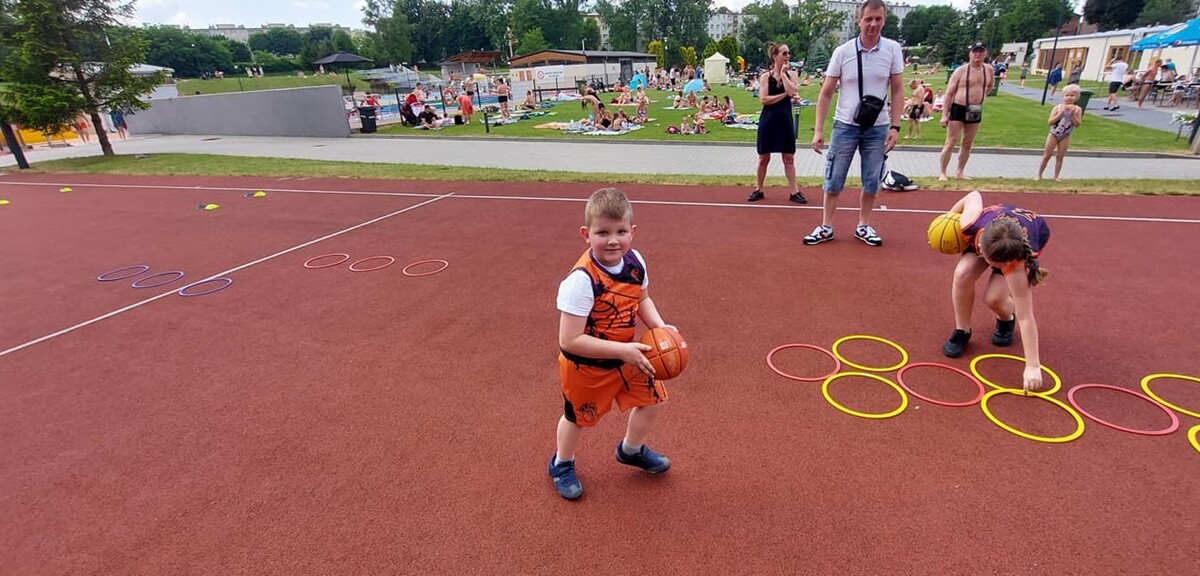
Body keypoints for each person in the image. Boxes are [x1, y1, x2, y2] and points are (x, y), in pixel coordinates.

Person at [549, 188, 675, 500]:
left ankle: (631, 451)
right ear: (586, 234)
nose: (613, 240)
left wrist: (660, 327)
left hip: (627, 356)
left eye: (621, 231)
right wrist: (624, 350)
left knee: (654, 400)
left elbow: (641, 298)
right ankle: (562, 464)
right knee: (577, 419)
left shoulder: (635, 262)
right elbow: (570, 340)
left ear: (633, 232)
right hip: (586, 366)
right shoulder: (581, 281)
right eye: (602, 232)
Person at [806, 0, 904, 247]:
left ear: (884, 20)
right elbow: (826, 92)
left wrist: (895, 126)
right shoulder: (843, 52)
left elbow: (898, 89)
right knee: (834, 178)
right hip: (845, 125)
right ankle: (826, 226)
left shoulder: (892, 50)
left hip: (878, 126)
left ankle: (864, 225)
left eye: (878, 19)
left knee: (872, 179)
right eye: (868, 19)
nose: (873, 24)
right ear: (859, 20)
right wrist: (818, 129)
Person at [941, 191, 1051, 392]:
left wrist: (1033, 366)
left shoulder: (1015, 261)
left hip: (1022, 235)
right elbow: (973, 195)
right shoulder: (970, 223)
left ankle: (1006, 319)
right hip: (995, 230)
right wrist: (948, 218)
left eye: (1003, 266)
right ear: (981, 251)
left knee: (994, 299)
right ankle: (962, 330)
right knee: (962, 273)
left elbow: (1026, 317)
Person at [746, 42, 806, 204]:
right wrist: (784, 96)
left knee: (788, 158)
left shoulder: (792, 74)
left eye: (788, 53)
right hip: (768, 121)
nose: (788, 57)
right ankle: (758, 189)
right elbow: (764, 99)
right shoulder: (766, 76)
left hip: (785, 120)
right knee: (763, 158)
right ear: (775, 56)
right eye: (784, 54)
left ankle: (794, 191)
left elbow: (793, 91)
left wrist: (784, 75)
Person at [938, 42, 993, 181]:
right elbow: (949, 93)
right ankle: (943, 172)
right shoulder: (961, 71)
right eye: (975, 52)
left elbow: (990, 86)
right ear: (970, 53)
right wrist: (944, 115)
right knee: (951, 141)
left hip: (975, 108)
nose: (978, 54)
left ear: (985, 53)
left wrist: (981, 97)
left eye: (981, 52)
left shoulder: (988, 70)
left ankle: (960, 171)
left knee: (968, 142)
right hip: (958, 107)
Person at [1036, 84, 1083, 181]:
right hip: (1053, 133)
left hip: (1066, 135)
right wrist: (1061, 113)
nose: (1069, 98)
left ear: (1077, 97)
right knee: (1047, 155)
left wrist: (1073, 114)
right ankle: (1039, 175)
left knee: (1060, 156)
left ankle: (1056, 176)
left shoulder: (1077, 109)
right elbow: (1050, 122)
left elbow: (1077, 124)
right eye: (1067, 95)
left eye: (1072, 95)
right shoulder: (1057, 108)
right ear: (1063, 96)